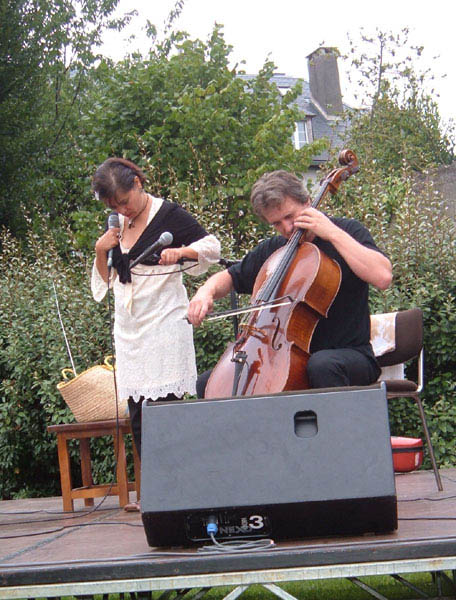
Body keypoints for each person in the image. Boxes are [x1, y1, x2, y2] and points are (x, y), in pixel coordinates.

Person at [187, 170, 392, 396]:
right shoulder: (275, 250)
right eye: (276, 223)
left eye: (290, 216)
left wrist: (331, 232)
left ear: (307, 203)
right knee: (209, 383)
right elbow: (229, 277)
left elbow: (382, 277)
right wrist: (204, 292)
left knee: (322, 365)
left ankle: (337, 432)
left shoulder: (347, 232)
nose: (287, 228)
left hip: (348, 355)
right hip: (284, 356)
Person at [91, 158, 220, 509]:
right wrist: (102, 251)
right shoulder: (116, 224)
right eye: (113, 206)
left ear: (137, 183)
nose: (120, 210)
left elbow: (213, 248)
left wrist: (182, 251)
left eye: (123, 201)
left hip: (164, 323)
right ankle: (155, 491)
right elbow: (104, 285)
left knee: (166, 410)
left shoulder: (169, 215)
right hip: (130, 330)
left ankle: (176, 491)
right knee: (138, 413)